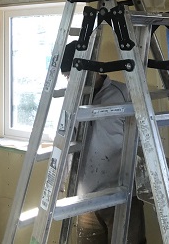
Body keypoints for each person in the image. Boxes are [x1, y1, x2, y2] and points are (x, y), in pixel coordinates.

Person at [61, 41, 146, 244]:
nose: (71, 81)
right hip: (86, 197)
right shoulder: (71, 99)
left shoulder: (123, 93)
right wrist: (63, 180)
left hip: (122, 193)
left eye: (73, 75)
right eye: (67, 77)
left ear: (92, 69)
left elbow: (144, 141)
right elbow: (66, 141)